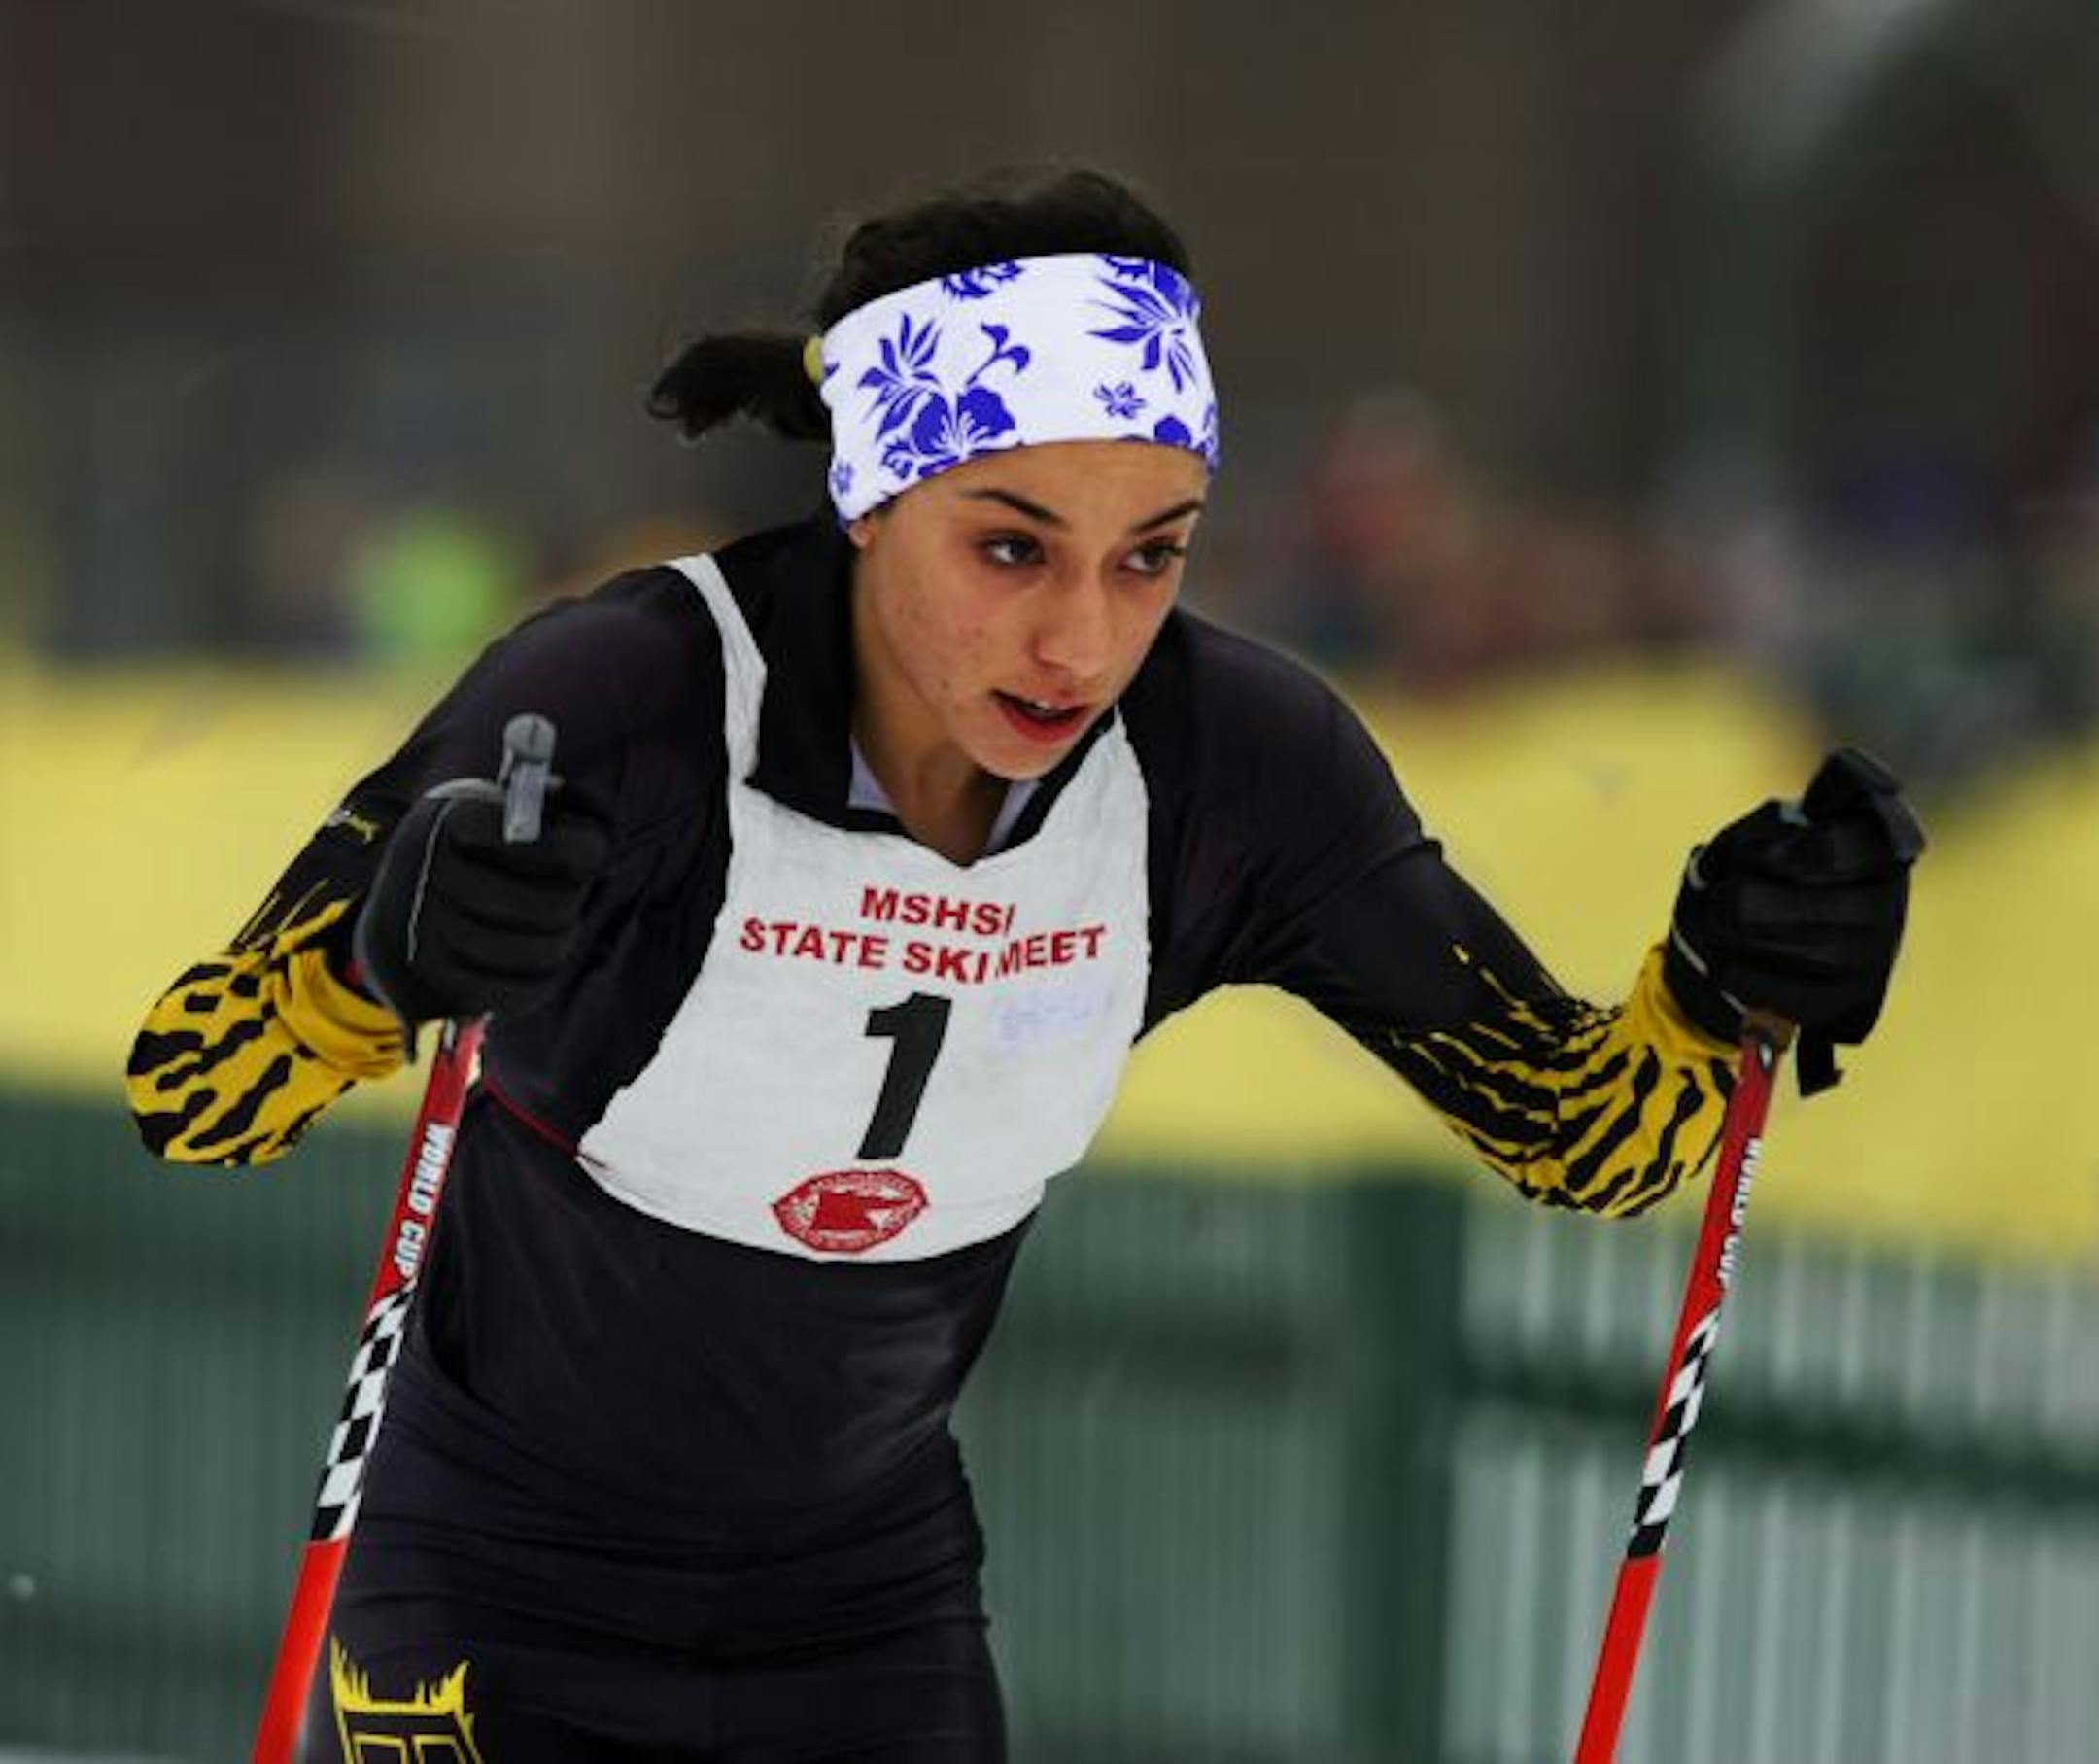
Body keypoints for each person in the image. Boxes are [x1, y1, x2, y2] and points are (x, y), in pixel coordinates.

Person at [126, 168, 1922, 1762]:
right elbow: (190, 1088)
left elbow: (1584, 1134)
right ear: (866, 499)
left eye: (1152, 560)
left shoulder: (1231, 772)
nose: (1080, 640)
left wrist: (1722, 980)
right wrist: (370, 968)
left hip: (862, 1614)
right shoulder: (630, 704)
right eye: (1009, 545)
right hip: (499, 1594)